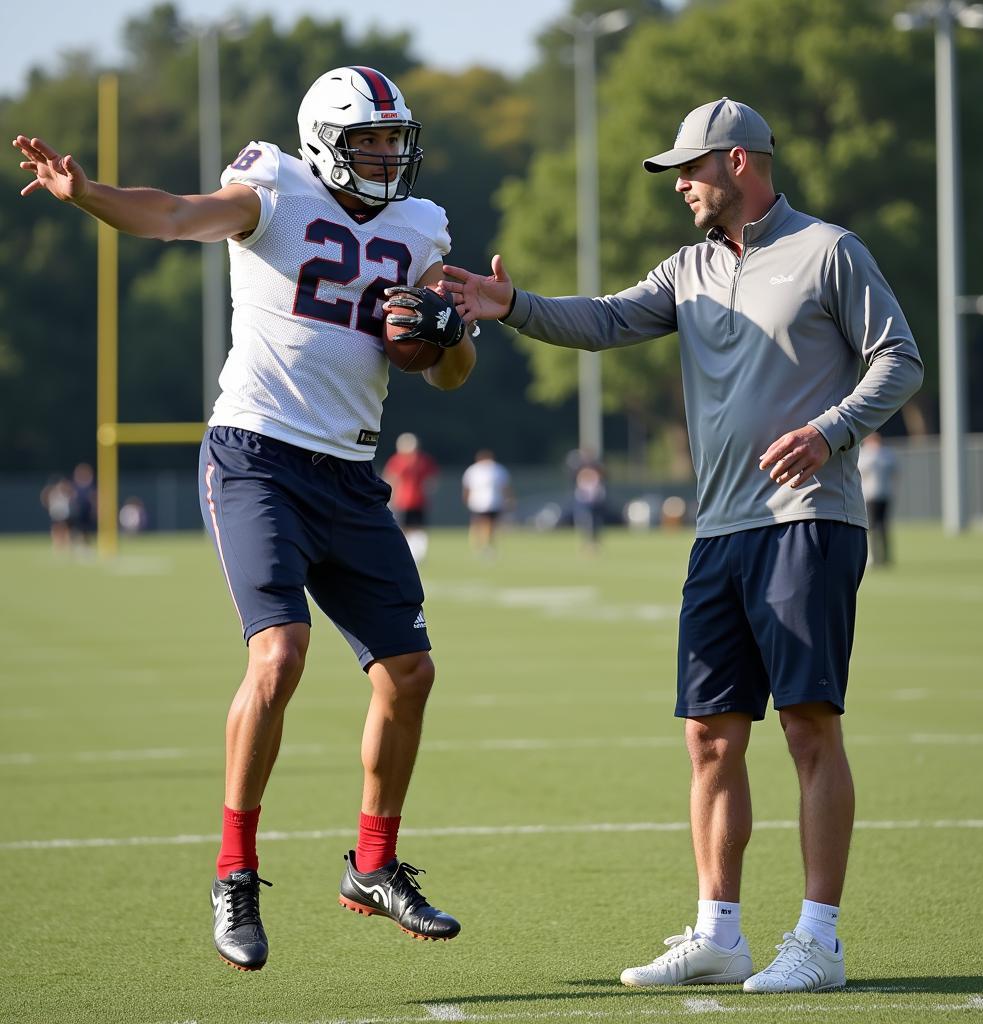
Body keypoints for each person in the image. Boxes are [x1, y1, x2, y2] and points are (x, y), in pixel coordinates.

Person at [441, 97, 923, 994]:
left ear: (740, 162)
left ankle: (818, 942)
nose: (681, 188)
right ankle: (719, 933)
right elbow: (607, 321)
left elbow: (897, 357)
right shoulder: (688, 267)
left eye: (691, 171)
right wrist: (510, 306)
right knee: (709, 736)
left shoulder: (829, 251)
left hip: (807, 521)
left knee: (809, 729)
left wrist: (831, 430)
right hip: (719, 531)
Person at [14, 65, 477, 972]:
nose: (386, 157)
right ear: (322, 144)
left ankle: (373, 867)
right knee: (281, 653)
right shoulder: (275, 187)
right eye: (368, 142)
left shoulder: (421, 229)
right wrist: (89, 195)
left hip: (349, 471)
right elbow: (177, 214)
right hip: (257, 455)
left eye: (394, 141)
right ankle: (234, 871)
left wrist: (447, 336)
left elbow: (451, 375)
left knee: (411, 673)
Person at [383, 432, 439, 564]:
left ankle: (413, 554)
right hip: (409, 500)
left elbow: (390, 478)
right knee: (413, 528)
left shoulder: (399, 460)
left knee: (408, 528)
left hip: (406, 500)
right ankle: (414, 554)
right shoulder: (421, 459)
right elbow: (432, 481)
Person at [461, 449, 512, 556]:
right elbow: (467, 487)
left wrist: (508, 499)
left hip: (494, 502)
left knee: (490, 525)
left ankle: (486, 545)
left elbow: (505, 487)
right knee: (478, 524)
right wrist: (466, 499)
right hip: (478, 502)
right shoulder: (473, 470)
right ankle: (479, 545)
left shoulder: (498, 470)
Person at [858, 433, 898, 566]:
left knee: (884, 526)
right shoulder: (864, 454)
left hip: (884, 495)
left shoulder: (886, 454)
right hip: (869, 496)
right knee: (871, 527)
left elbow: (895, 470)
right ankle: (872, 556)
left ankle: (886, 556)